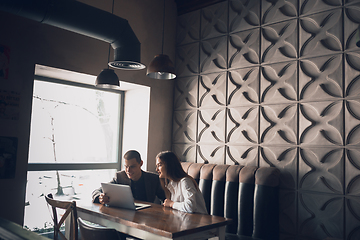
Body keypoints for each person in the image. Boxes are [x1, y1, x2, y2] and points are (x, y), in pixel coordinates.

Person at [92, 150, 166, 205]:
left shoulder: (153, 179)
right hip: (124, 215)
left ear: (141, 163)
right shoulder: (119, 177)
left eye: (132, 167)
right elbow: (97, 191)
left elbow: (165, 199)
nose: (128, 170)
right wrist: (100, 197)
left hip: (147, 216)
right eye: (126, 166)